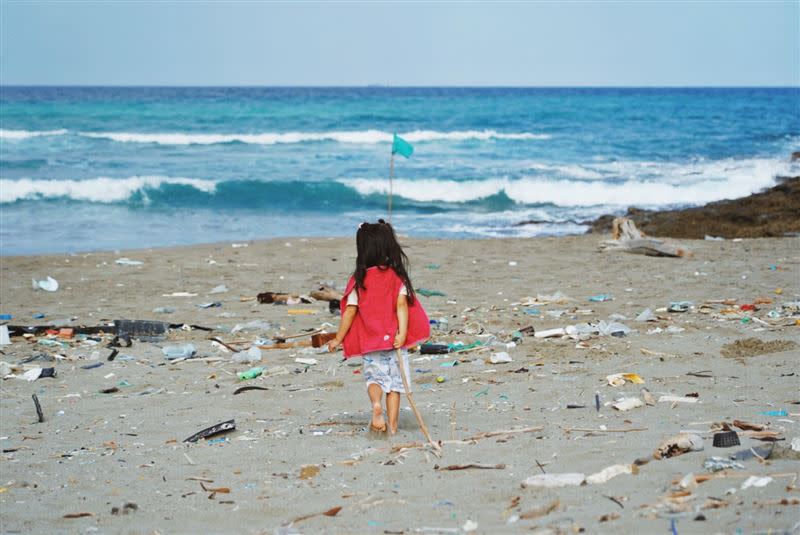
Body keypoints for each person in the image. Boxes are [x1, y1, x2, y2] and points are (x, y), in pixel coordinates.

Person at [328, 220, 430, 434]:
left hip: (370, 342)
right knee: (395, 386)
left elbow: (350, 311)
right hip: (394, 341)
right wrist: (402, 333)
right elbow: (401, 305)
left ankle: (376, 406)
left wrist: (338, 338)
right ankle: (392, 426)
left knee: (374, 379)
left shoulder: (358, 279)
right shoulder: (396, 276)